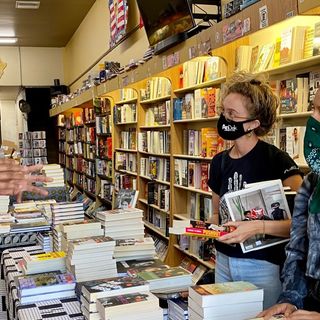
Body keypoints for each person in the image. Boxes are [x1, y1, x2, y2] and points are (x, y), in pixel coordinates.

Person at [207, 71, 303, 309]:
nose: (225, 119)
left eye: (233, 114)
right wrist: (207, 229)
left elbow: (302, 225)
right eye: (223, 112)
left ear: (252, 124)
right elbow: (215, 214)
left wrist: (256, 227)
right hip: (223, 261)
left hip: (262, 265)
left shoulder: (277, 161)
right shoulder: (218, 162)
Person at [258, 89, 320, 320]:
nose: (312, 121)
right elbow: (298, 251)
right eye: (313, 109)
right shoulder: (312, 184)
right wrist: (290, 300)